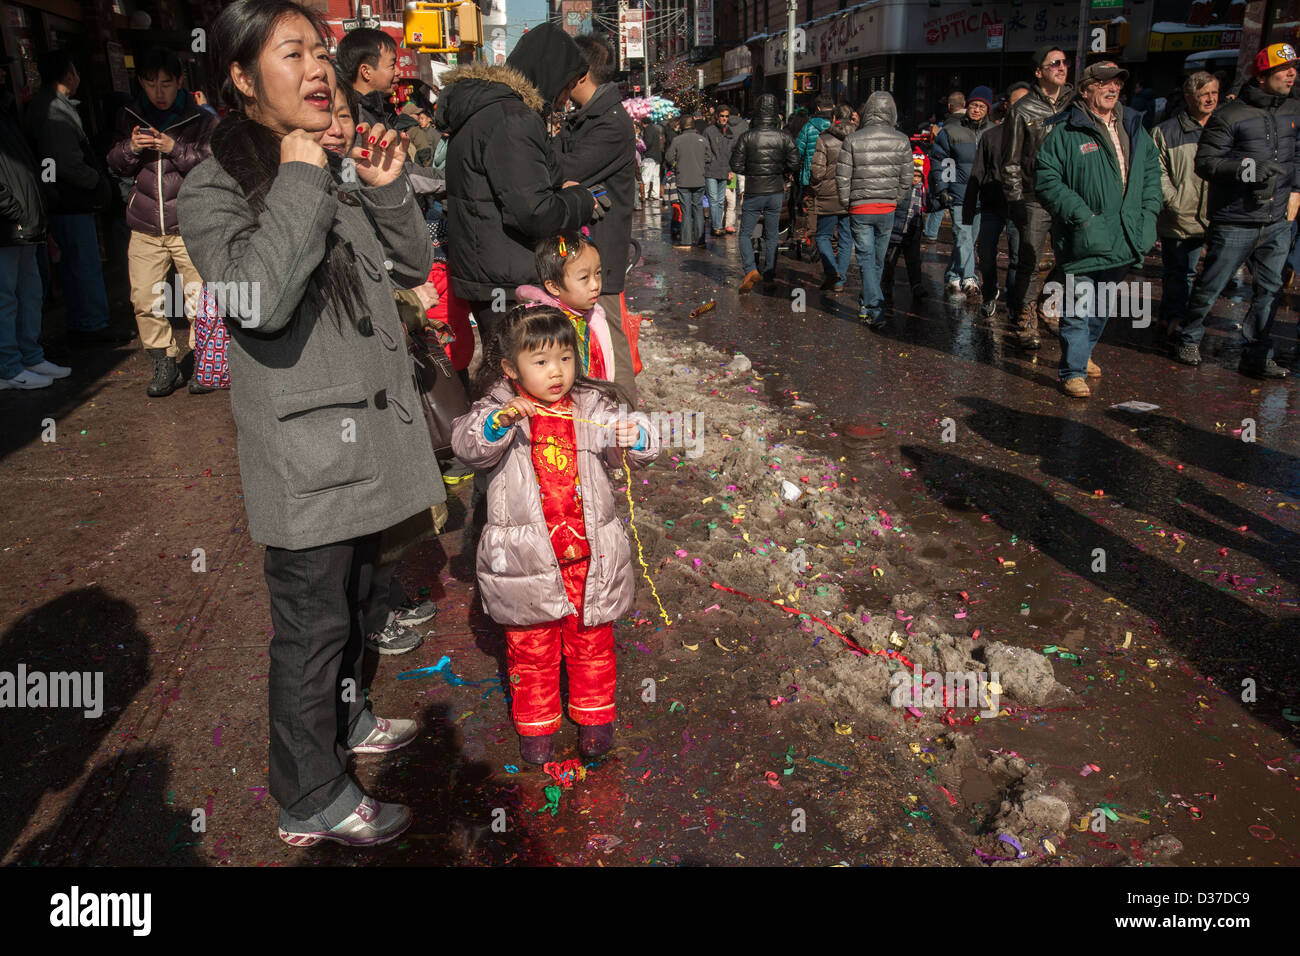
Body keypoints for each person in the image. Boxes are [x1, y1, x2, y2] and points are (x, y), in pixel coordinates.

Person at [178, 0, 444, 846]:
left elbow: (407, 263)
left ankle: (349, 712)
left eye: (322, 50)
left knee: (360, 600)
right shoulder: (213, 186)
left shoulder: (333, 165)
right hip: (308, 457)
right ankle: (309, 795)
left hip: (372, 439)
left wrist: (383, 185)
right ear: (242, 77)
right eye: (294, 52)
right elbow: (255, 304)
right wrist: (298, 172)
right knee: (311, 625)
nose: (321, 68)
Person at [450, 305, 659, 764]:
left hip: (590, 555)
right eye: (540, 362)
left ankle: (595, 716)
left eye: (565, 358)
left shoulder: (591, 404)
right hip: (528, 562)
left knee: (592, 643)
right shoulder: (499, 408)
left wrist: (636, 435)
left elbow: (638, 438)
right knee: (531, 649)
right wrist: (498, 422)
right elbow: (467, 444)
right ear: (510, 368)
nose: (556, 372)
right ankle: (537, 726)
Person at [435, 21, 596, 342]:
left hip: (493, 271)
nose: (565, 99)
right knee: (520, 379)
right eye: (565, 87)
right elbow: (534, 212)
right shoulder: (512, 118)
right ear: (550, 75)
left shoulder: (490, 110)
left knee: (510, 374)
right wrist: (579, 199)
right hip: (508, 279)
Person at [1171, 44, 1299, 378]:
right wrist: (1249, 170)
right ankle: (1188, 337)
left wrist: (1296, 190)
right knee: (1212, 284)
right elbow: (1206, 163)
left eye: (1294, 68)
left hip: (1277, 220)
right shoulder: (1230, 115)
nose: (1292, 74)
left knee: (1270, 290)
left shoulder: (1295, 110)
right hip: (1235, 220)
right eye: (1284, 69)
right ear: (1262, 74)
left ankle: (1256, 353)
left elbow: (1297, 154)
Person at [1035, 61, 1161, 398]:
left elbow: (1151, 175)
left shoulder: (1134, 126)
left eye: (1118, 83)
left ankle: (1082, 353)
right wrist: (1081, 214)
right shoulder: (1064, 131)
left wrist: (1148, 216)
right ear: (1086, 88)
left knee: (1102, 305)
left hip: (1125, 234)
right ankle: (1072, 371)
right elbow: (1046, 179)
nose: (1113, 88)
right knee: (1078, 305)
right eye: (1104, 82)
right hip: (1083, 234)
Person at [107, 48, 220, 397]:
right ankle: (165, 362)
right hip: (144, 224)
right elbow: (114, 162)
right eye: (152, 83)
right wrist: (131, 147)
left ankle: (204, 358)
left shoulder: (201, 120)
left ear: (180, 82)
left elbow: (213, 168)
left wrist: (174, 147)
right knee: (145, 297)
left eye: (167, 84)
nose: (159, 92)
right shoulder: (128, 115)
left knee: (198, 298)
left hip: (189, 224)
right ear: (140, 82)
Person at [24, 50, 130, 349]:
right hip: (69, 201)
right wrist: (95, 180)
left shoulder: (50, 107)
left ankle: (88, 321)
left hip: (65, 199)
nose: (79, 78)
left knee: (79, 263)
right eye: (76, 72)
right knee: (82, 262)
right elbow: (63, 162)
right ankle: (90, 324)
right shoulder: (53, 112)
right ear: (68, 75)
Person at [558, 33, 639, 405]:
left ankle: (625, 418)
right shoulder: (587, 117)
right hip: (586, 249)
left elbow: (566, 168)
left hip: (602, 249)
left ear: (579, 73)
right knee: (593, 335)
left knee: (609, 334)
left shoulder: (609, 122)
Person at [1002, 45, 1076, 349]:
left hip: (1071, 195)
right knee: (1029, 260)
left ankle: (1048, 304)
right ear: (1038, 72)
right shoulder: (1023, 110)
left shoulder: (1077, 104)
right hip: (1034, 196)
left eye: (1064, 62)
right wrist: (1016, 201)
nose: (1061, 67)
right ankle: (1026, 317)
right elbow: (1011, 161)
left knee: (1069, 258)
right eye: (1053, 63)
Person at [1, 80, 69, 389]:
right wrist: (11, 208)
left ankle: (29, 356)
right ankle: (9, 366)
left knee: (29, 293)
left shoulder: (7, 114)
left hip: (23, 224)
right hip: (7, 225)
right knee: (6, 299)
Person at [837, 91, 914, 329]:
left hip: (860, 208)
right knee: (877, 260)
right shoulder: (902, 140)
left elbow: (843, 176)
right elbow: (907, 177)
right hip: (887, 208)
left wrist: (847, 202)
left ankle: (872, 305)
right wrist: (896, 198)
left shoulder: (853, 139)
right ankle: (870, 304)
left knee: (867, 259)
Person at [1152, 71, 1218, 347]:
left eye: (1214, 93)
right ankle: (1174, 318)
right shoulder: (1166, 131)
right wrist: (1175, 200)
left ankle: (1178, 318)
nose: (1211, 99)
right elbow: (1156, 171)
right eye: (1204, 94)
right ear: (1189, 97)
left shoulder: (1223, 127)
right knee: (1179, 272)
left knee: (1203, 274)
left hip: (1215, 214)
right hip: (1179, 215)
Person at [966, 82, 1029, 317]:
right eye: (1016, 102)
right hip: (992, 204)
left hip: (1020, 205)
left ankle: (1014, 303)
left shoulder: (1033, 136)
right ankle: (991, 291)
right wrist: (968, 209)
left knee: (1017, 256)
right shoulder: (990, 136)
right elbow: (977, 172)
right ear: (1007, 105)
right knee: (986, 253)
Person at [516, 233, 614, 380]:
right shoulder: (544, 327)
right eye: (584, 277)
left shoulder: (593, 318)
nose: (595, 285)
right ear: (554, 286)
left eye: (598, 273)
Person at [730, 93, 798, 293]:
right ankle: (769, 276)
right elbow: (795, 163)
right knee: (771, 235)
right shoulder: (784, 136)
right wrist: (781, 171)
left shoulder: (747, 136)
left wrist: (752, 171)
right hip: (775, 190)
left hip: (754, 190)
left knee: (745, 234)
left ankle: (751, 269)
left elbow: (735, 164)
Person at [930, 85, 992, 297]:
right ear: (966, 106)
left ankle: (952, 275)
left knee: (968, 239)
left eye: (981, 106)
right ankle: (969, 278)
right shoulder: (952, 131)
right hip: (959, 195)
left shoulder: (992, 131)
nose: (976, 110)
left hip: (982, 195)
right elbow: (941, 161)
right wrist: (943, 189)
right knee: (963, 237)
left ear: (987, 109)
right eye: (973, 105)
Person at [809, 103, 855, 292]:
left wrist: (816, 188)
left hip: (828, 193)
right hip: (851, 193)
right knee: (846, 237)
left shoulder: (824, 139)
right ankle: (840, 280)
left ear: (834, 119)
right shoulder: (858, 138)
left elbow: (817, 171)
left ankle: (832, 270)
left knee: (822, 235)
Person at [884, 151, 929, 307]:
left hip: (913, 231)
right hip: (896, 232)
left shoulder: (922, 190)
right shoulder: (900, 188)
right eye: (913, 175)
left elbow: (927, 206)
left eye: (918, 176)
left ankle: (916, 285)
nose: (915, 179)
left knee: (914, 262)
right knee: (890, 261)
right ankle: (887, 286)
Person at [923, 91, 967, 240]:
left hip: (950, 169)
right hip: (965, 173)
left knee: (942, 197)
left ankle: (931, 231)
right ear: (965, 104)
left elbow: (939, 155)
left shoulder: (948, 125)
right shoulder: (974, 124)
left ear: (949, 106)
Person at [665, 115, 710, 250]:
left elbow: (668, 157)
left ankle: (686, 242)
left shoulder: (677, 140)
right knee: (698, 210)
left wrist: (676, 165)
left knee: (686, 211)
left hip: (683, 179)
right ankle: (700, 240)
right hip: (699, 179)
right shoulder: (702, 139)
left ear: (682, 126)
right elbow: (709, 158)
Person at [703, 106, 737, 236]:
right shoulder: (709, 131)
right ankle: (716, 226)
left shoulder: (729, 132)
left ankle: (716, 226)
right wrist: (709, 161)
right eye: (722, 116)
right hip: (711, 169)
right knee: (713, 199)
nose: (724, 118)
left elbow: (732, 152)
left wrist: (731, 170)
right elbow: (705, 150)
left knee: (720, 201)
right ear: (717, 115)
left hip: (724, 170)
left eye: (726, 116)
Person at [641, 118, 663, 202]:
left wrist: (642, 147)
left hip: (649, 156)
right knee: (656, 176)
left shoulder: (647, 130)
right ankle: (655, 194)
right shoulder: (655, 129)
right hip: (657, 156)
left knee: (646, 176)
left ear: (643, 124)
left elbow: (647, 143)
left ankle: (645, 194)